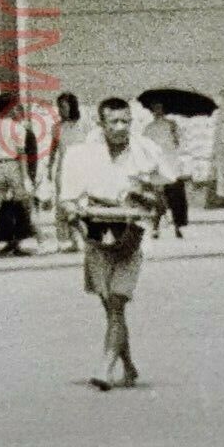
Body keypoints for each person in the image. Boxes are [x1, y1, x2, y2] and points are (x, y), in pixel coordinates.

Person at [60, 97, 165, 391]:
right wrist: (74, 215)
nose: (120, 127)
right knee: (111, 308)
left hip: (131, 238)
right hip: (97, 235)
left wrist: (143, 195)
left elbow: (160, 202)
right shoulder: (83, 157)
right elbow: (68, 199)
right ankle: (128, 366)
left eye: (125, 121)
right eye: (114, 122)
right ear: (101, 124)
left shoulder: (145, 154)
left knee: (117, 303)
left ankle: (105, 367)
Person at [0, 98, 35, 258]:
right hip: (13, 165)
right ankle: (26, 241)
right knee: (23, 204)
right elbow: (22, 153)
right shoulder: (17, 128)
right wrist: (25, 178)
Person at [48, 93, 87, 252]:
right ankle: (69, 239)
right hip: (63, 170)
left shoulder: (82, 125)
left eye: (63, 107)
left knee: (81, 204)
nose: (60, 111)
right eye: (59, 107)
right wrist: (49, 167)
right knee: (63, 205)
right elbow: (53, 149)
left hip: (81, 168)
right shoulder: (57, 127)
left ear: (72, 106)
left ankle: (84, 238)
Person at [142, 102, 187, 239]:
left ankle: (165, 227)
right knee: (170, 199)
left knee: (162, 200)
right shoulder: (153, 128)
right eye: (156, 108)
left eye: (159, 108)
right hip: (165, 168)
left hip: (165, 167)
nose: (158, 111)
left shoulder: (166, 126)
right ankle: (171, 227)